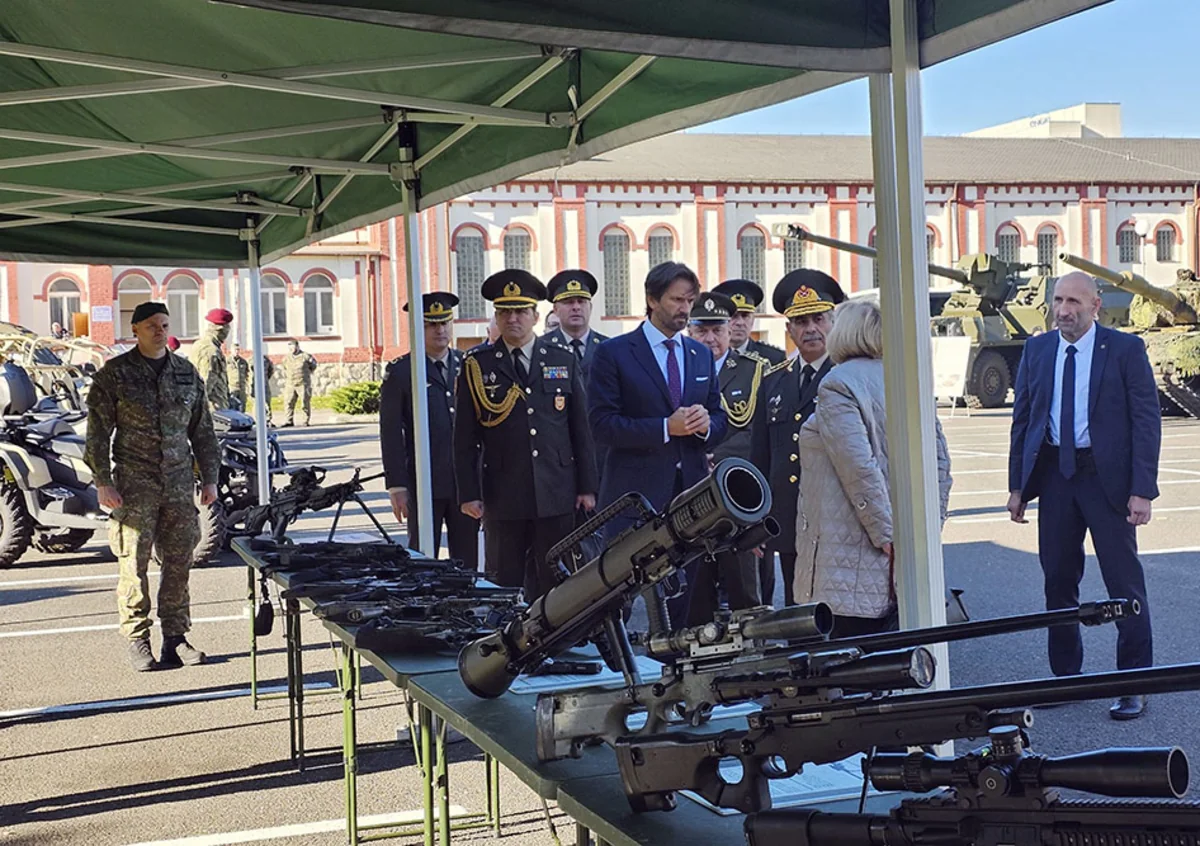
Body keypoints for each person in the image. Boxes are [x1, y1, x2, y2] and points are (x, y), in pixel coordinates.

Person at [1008, 271, 1160, 721]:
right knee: (1057, 580)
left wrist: (1142, 490)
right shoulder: (1038, 349)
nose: (1064, 310)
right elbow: (1023, 420)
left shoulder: (1125, 350)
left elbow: (1146, 420)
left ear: (1096, 306)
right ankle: (1066, 678)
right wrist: (1018, 487)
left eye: (1074, 302)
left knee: (1123, 583)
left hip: (1106, 479)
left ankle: (1134, 684)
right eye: (1058, 300)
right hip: (1056, 476)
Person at [794, 298, 952, 637]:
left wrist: (886, 537)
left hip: (854, 548)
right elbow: (940, 464)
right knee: (896, 651)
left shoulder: (838, 383)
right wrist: (927, 531)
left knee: (852, 656)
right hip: (903, 549)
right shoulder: (908, 380)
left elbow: (858, 468)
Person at [84, 302, 221, 672]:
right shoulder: (115, 374)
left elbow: (203, 430)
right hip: (134, 483)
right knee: (134, 563)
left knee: (179, 562)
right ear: (135, 330)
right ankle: (138, 639)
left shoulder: (186, 373)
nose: (160, 331)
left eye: (164, 325)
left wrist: (210, 478)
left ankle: (175, 639)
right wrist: (103, 482)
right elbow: (97, 433)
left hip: (178, 482)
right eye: (151, 326)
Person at [588, 261, 727, 626]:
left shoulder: (699, 354)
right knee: (618, 595)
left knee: (683, 596)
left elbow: (720, 417)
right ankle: (617, 658)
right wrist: (665, 428)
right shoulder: (614, 353)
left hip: (692, 497)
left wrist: (705, 426)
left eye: (690, 301)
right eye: (676, 300)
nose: (685, 309)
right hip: (633, 497)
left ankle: (672, 656)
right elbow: (602, 426)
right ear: (652, 299)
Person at [454, 270, 597, 598]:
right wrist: (468, 493)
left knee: (556, 583)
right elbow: (464, 438)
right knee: (503, 582)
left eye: (520, 311)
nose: (513, 319)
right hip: (503, 493)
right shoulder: (478, 365)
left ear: (535, 315)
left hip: (556, 490)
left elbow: (579, 428)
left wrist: (587, 486)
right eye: (505, 312)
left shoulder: (561, 358)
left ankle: (554, 633)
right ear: (496, 317)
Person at [750, 270, 845, 607]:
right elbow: (761, 457)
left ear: (833, 322)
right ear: (789, 329)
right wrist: (756, 519)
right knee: (795, 607)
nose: (811, 329)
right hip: (789, 519)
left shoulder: (847, 376)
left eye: (818, 319)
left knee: (836, 608)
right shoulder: (773, 381)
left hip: (835, 517)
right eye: (801, 322)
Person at [381, 292, 479, 570]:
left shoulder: (468, 364)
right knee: (422, 560)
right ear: (417, 328)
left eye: (444, 323)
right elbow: (391, 432)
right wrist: (397, 485)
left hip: (464, 484)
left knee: (468, 561)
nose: (440, 330)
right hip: (424, 482)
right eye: (431, 325)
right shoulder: (403, 371)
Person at [683, 291, 763, 624]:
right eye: (701, 330)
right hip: (691, 491)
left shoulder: (753, 371)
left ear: (730, 330)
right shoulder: (678, 369)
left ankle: (753, 645)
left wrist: (717, 459)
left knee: (744, 584)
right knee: (695, 583)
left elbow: (757, 433)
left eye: (717, 330)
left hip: (737, 489)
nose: (710, 338)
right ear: (689, 331)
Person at [540, 270, 611, 383]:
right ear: (556, 310)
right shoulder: (541, 348)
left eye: (581, 301)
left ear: (590, 307)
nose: (576, 307)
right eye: (568, 302)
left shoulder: (608, 348)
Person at [711, 279, 786, 366]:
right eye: (734, 316)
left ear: (753, 319)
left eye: (745, 316)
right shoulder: (710, 355)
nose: (740, 323)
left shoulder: (774, 358)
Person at [189, 308, 234, 412]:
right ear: (221, 330)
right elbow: (206, 384)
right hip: (213, 410)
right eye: (227, 329)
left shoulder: (199, 344)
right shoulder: (211, 351)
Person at [280, 339, 317, 427]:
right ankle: (289, 421)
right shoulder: (286, 358)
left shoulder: (305, 356)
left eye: (292, 347)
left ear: (297, 346)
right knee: (288, 402)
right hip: (290, 384)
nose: (291, 349)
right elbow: (284, 368)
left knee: (304, 402)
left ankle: (305, 421)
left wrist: (306, 375)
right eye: (289, 348)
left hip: (303, 383)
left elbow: (313, 366)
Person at [247, 353, 275, 426]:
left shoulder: (266, 360)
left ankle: (268, 420)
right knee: (256, 403)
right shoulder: (250, 360)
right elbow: (247, 372)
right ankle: (257, 420)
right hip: (254, 384)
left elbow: (271, 371)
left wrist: (265, 379)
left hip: (264, 384)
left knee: (267, 402)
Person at [227, 341, 250, 411]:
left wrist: (247, 386)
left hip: (242, 388)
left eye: (238, 350)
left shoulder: (243, 361)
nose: (237, 351)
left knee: (242, 407)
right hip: (232, 388)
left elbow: (247, 374)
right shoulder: (227, 361)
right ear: (231, 350)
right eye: (235, 350)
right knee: (232, 407)